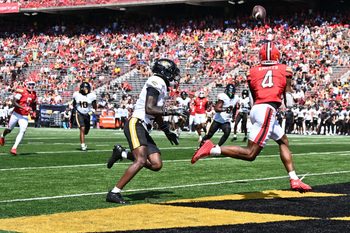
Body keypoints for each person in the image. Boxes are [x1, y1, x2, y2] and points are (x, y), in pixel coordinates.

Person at [191, 42, 312, 193]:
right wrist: (290, 100)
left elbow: (253, 99)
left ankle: (294, 179)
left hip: (258, 109)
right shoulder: (284, 69)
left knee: (283, 141)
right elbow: (288, 102)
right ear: (277, 55)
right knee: (250, 154)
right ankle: (212, 149)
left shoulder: (253, 71)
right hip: (268, 111)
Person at [105, 58, 185, 204]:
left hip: (144, 127)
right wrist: (172, 112)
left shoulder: (161, 85)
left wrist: (168, 132)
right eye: (171, 72)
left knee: (156, 164)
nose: (173, 76)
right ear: (164, 71)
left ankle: (121, 153)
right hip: (136, 123)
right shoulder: (156, 81)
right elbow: (149, 108)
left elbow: (156, 114)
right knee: (141, 160)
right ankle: (114, 192)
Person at [0, 80, 37, 155]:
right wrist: (23, 108)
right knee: (9, 129)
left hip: (24, 116)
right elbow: (14, 102)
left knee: (23, 130)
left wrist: (34, 112)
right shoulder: (22, 91)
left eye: (33, 85)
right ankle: (2, 136)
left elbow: (33, 104)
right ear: (27, 85)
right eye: (30, 84)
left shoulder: (34, 94)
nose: (32, 86)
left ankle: (14, 148)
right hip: (16, 113)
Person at [72, 81, 97, 151]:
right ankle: (83, 145)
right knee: (82, 128)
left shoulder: (92, 95)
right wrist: (75, 111)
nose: (85, 90)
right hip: (79, 113)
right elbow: (74, 104)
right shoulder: (76, 94)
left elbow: (95, 106)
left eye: (86, 88)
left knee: (86, 131)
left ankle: (83, 139)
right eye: (84, 88)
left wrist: (92, 112)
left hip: (87, 114)